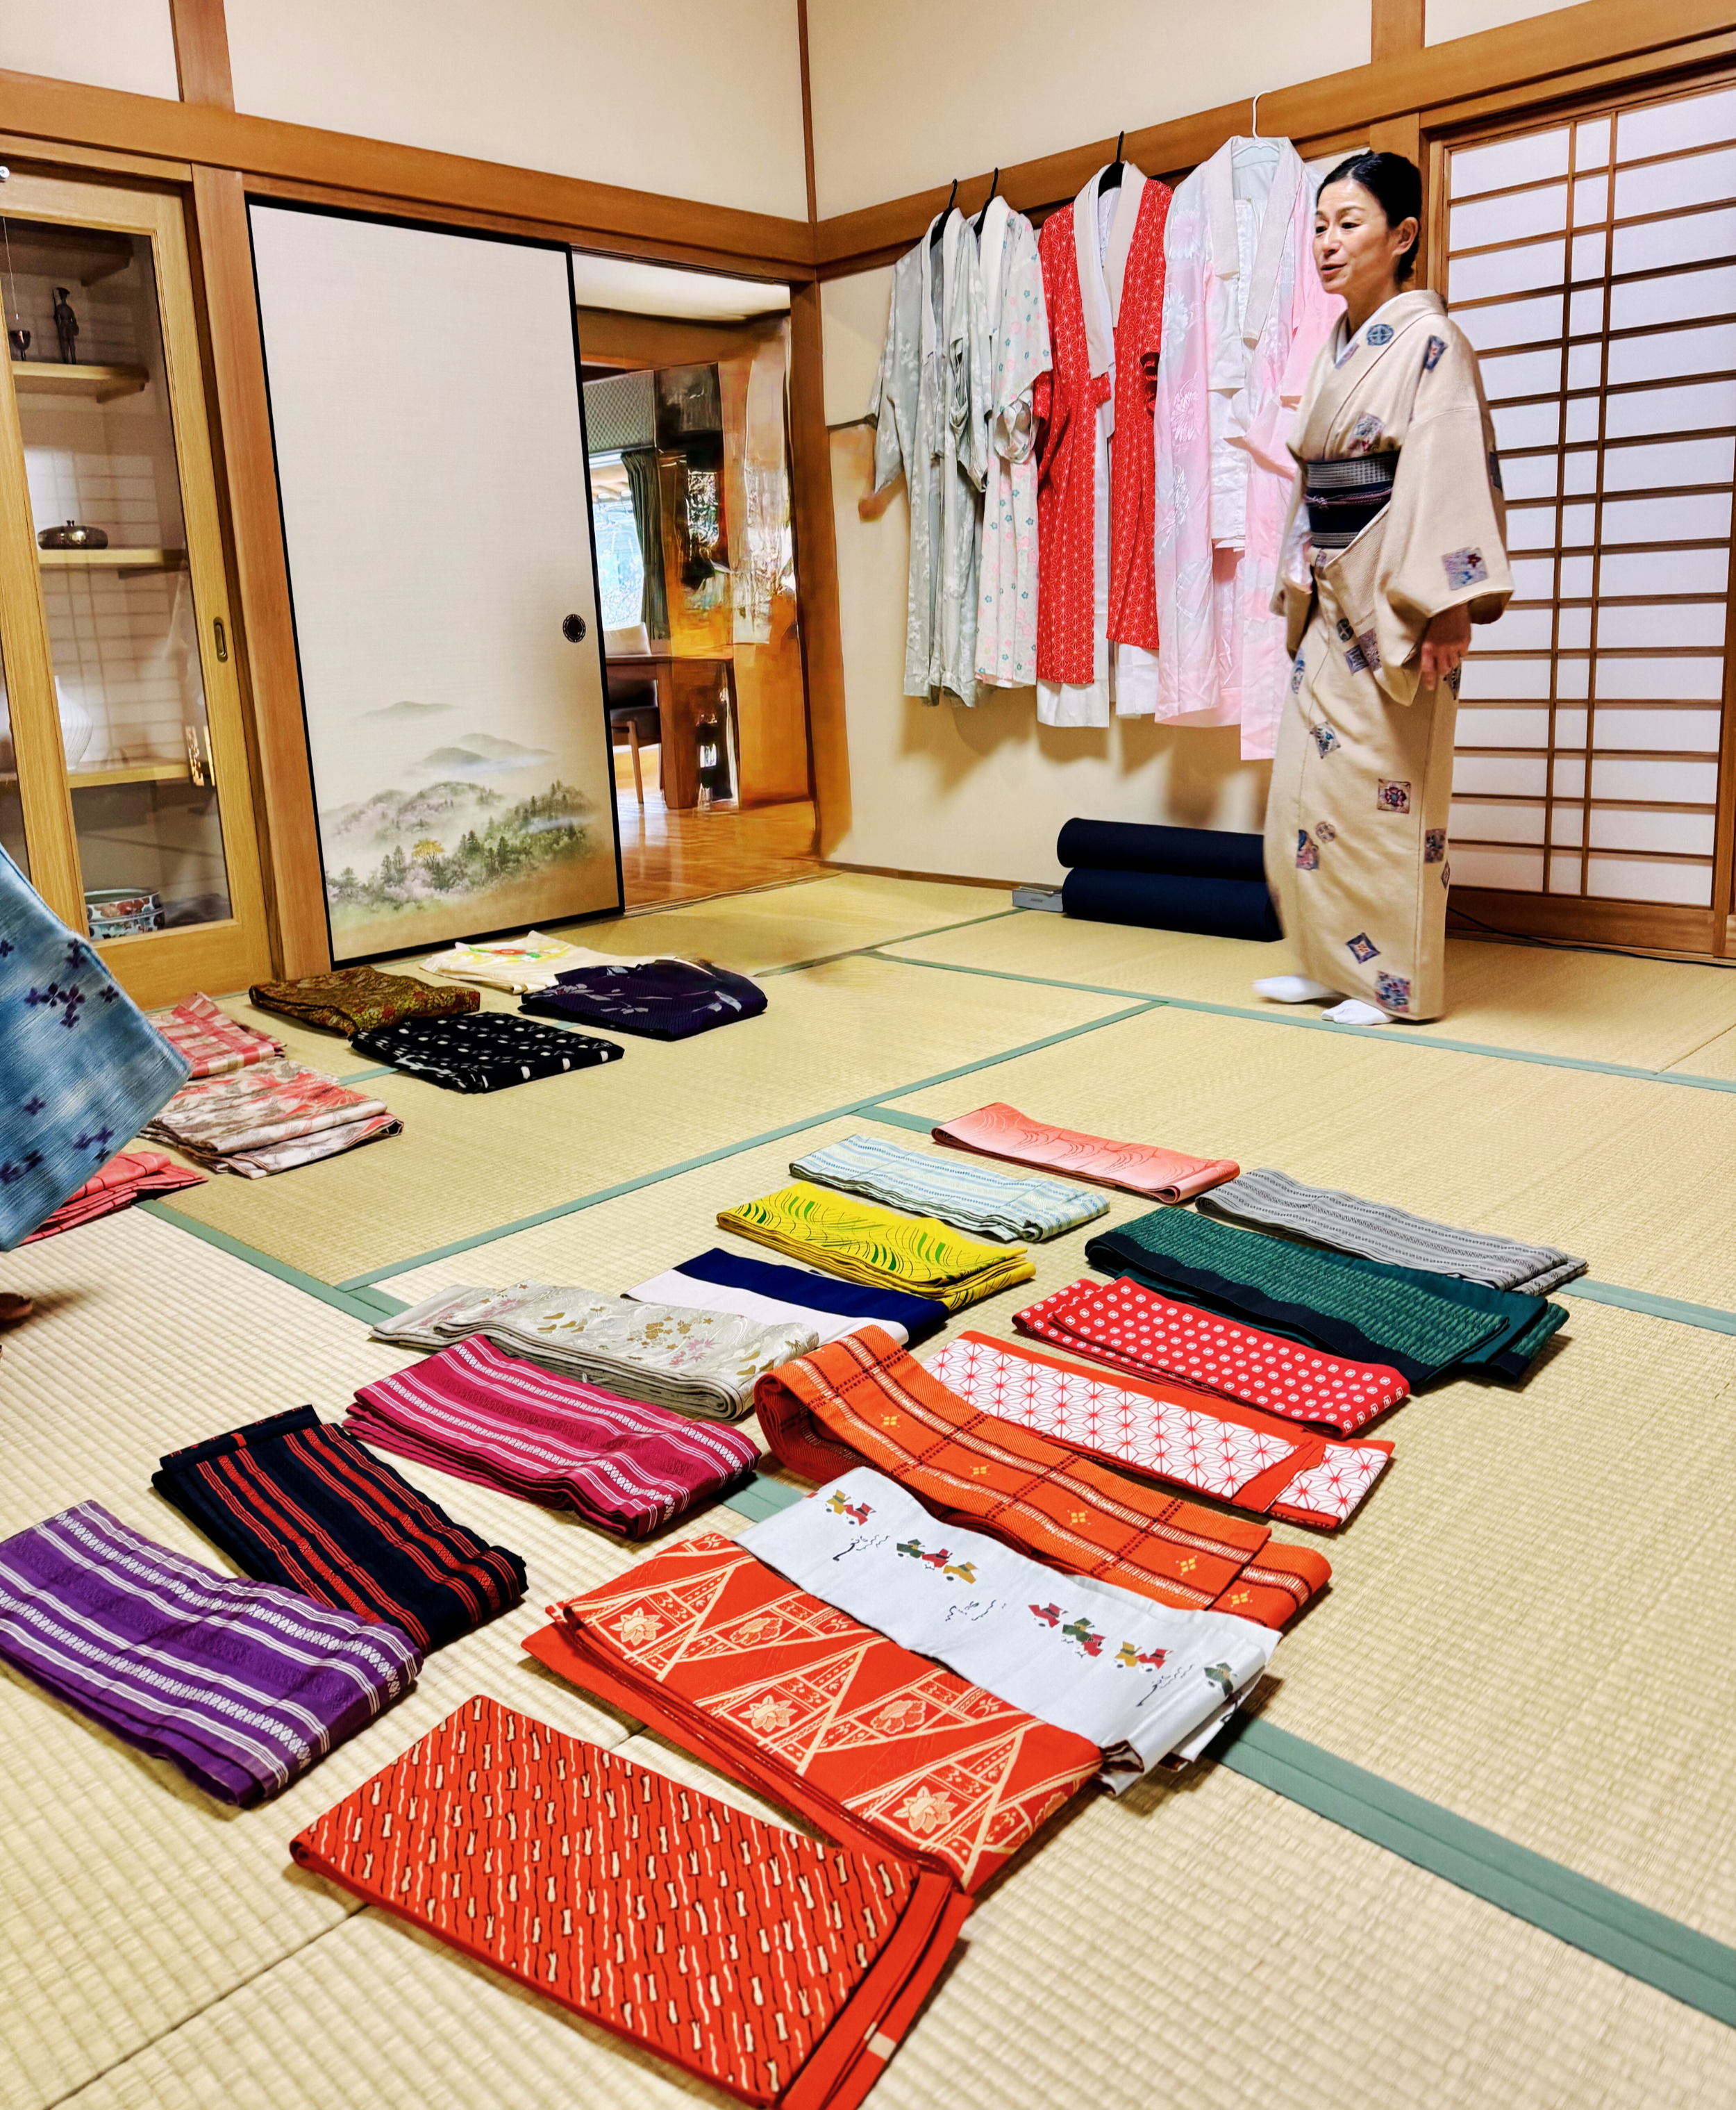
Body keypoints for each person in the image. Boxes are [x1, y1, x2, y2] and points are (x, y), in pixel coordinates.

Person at [1256, 152, 1510, 1024]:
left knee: (1383, 791)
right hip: (1331, 587)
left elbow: (1445, 471)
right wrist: (1299, 575)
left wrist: (1444, 604)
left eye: (1349, 223)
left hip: (1394, 599)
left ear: (1402, 236)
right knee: (1307, 787)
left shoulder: (1432, 344)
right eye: (1320, 225)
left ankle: (1392, 981)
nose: (1328, 242)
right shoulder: (1337, 346)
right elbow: (1315, 479)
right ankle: (1331, 961)